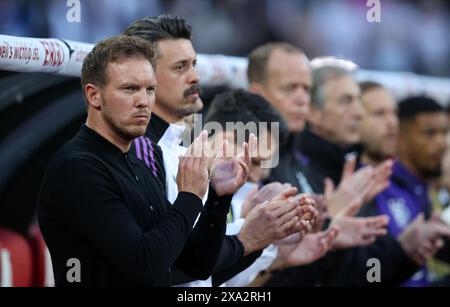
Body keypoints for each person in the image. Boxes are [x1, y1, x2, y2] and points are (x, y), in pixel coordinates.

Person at [123, 15, 313, 287]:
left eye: (194, 64)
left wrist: (262, 240)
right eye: (180, 67)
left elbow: (199, 276)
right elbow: (160, 269)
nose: (195, 77)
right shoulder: (138, 151)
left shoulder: (175, 149)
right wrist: (249, 235)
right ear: (144, 77)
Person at [37, 35, 218, 286]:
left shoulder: (137, 163)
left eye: (150, 89)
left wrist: (219, 196)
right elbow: (143, 265)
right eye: (129, 89)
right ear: (94, 95)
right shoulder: (78, 168)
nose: (144, 101)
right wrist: (189, 198)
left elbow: (197, 263)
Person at [371, 96, 450, 286]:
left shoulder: (423, 189)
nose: (442, 143)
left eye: (444, 132)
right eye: (430, 133)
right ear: (400, 139)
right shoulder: (380, 188)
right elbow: (370, 272)